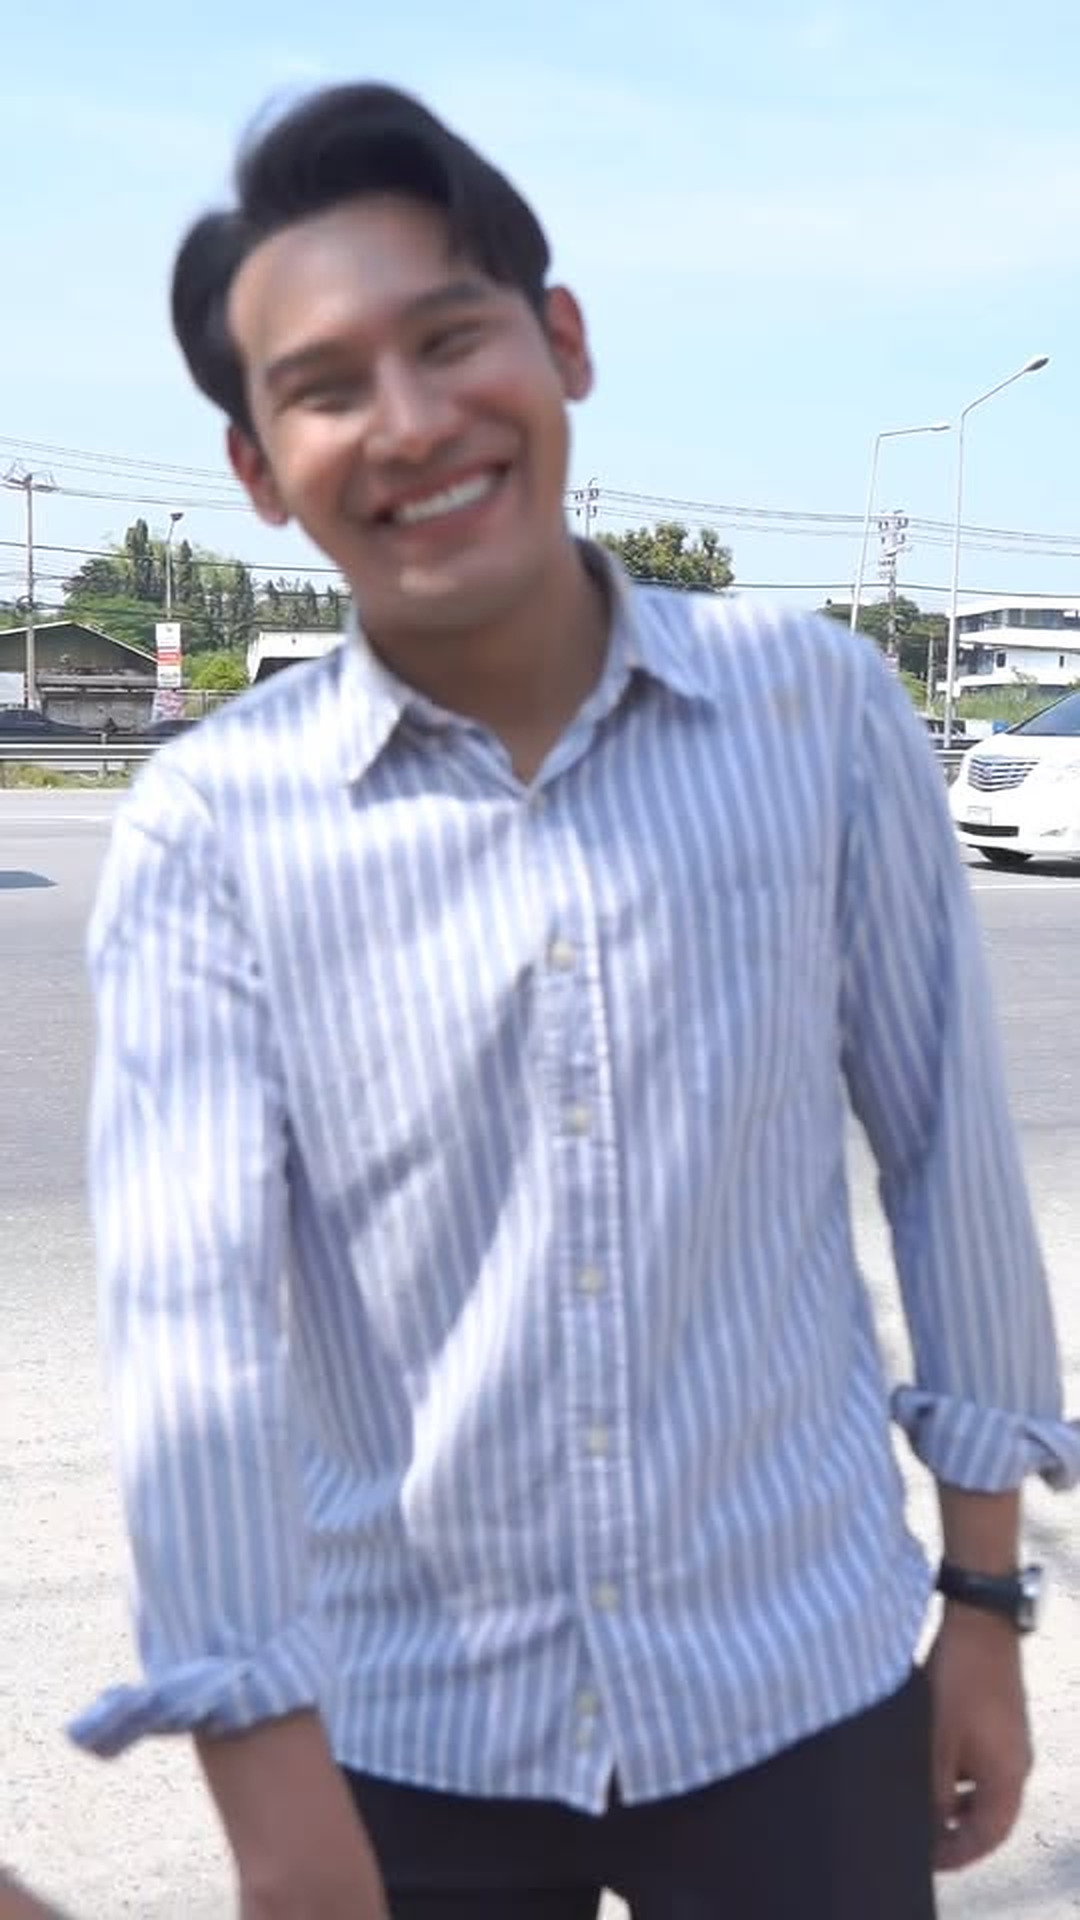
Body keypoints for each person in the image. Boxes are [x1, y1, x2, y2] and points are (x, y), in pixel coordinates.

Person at [70, 82, 1079, 1919]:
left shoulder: (820, 715)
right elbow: (189, 1336)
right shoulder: (210, 830)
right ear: (257, 469)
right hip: (411, 1730)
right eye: (322, 387)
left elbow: (951, 1163)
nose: (409, 422)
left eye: (450, 337)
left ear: (562, 343)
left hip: (800, 1679)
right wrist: (274, 1803)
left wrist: (985, 1600)